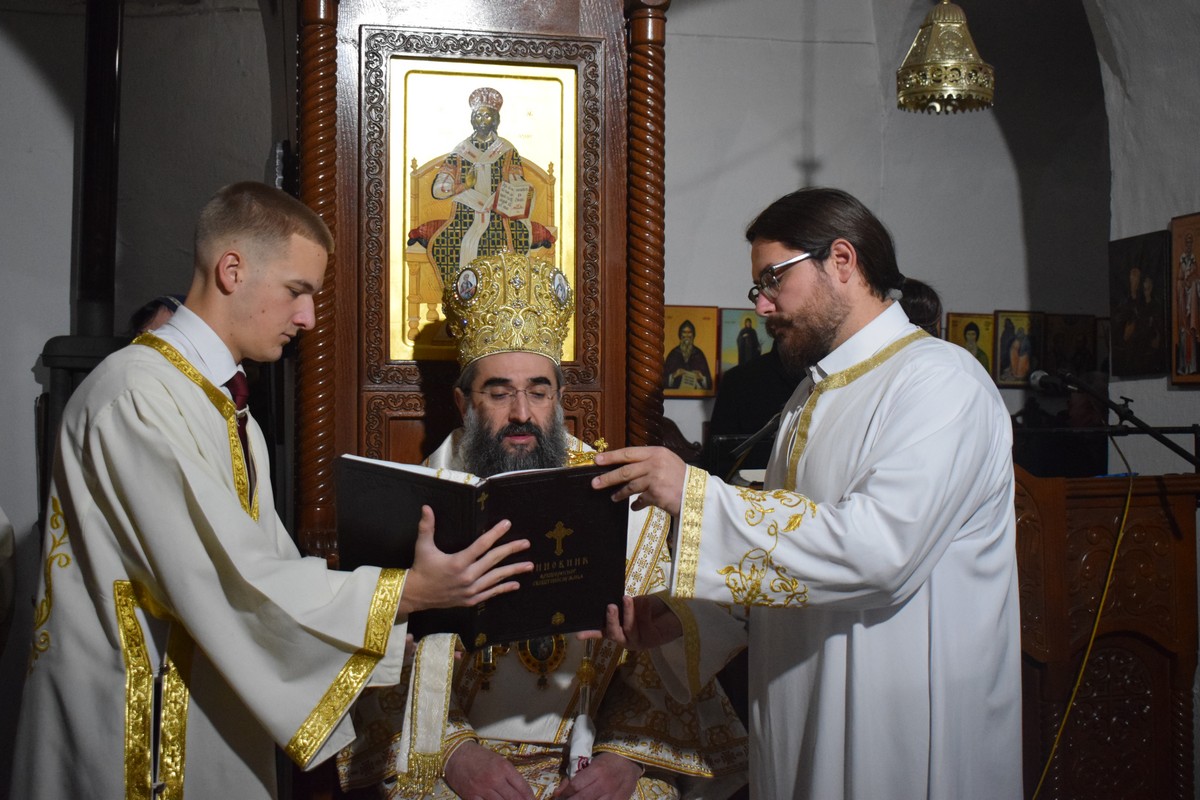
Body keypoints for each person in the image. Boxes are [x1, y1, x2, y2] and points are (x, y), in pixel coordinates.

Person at [11, 182, 531, 800]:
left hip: (201, 711)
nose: (307, 317)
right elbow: (229, 577)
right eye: (296, 291)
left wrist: (394, 629)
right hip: (138, 731)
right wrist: (406, 592)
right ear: (232, 270)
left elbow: (271, 565)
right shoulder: (139, 395)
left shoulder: (222, 405)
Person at [591, 188, 1022, 799]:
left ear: (841, 260)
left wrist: (694, 494)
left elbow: (879, 554)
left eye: (773, 279)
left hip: (895, 714)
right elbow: (798, 557)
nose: (762, 304)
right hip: (804, 701)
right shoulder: (811, 394)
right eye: (757, 287)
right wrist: (693, 616)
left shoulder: (939, 382)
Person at [338, 252, 748, 800]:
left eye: (538, 391)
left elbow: (654, 651)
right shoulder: (412, 505)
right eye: (498, 392)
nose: (522, 413)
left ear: (559, 398)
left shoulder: (621, 497)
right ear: (463, 401)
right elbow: (382, 653)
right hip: (452, 757)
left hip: (593, 750)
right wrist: (456, 753)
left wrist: (623, 758)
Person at [428, 87, 532, 285]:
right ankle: (458, 295)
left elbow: (518, 182)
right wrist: (462, 186)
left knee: (499, 243)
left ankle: (495, 298)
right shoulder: (461, 151)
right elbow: (438, 189)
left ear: (495, 119)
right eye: (477, 115)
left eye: (487, 115)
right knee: (445, 244)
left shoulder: (507, 150)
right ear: (472, 119)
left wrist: (509, 193)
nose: (482, 120)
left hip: (498, 214)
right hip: (465, 214)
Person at [663, 319, 713, 390]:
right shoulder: (673, 354)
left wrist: (701, 377)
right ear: (680, 335)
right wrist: (674, 375)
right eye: (684, 332)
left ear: (693, 335)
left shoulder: (699, 354)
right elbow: (663, 381)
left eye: (689, 332)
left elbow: (709, 384)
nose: (687, 335)